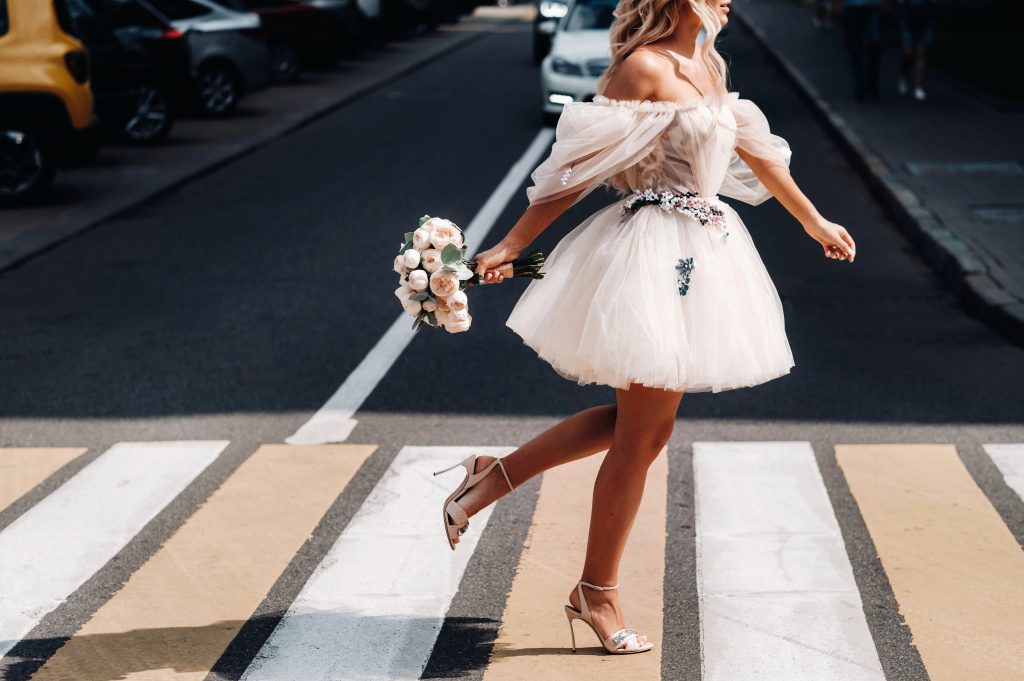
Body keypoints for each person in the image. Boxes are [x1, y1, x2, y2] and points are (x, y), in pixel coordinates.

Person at [433, 0, 856, 656]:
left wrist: (813, 221)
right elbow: (580, 166)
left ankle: (494, 477)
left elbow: (756, 151)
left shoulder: (707, 68)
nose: (727, 1)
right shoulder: (644, 68)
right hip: (656, 254)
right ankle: (594, 588)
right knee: (640, 433)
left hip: (705, 252)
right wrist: (513, 244)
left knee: (644, 429)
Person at [836, 0, 884, 100]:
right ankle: (861, 84)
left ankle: (870, 82)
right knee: (856, 47)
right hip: (853, 7)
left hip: (872, 6)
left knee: (874, 46)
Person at [896, 0, 935, 100]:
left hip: (924, 16)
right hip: (907, 16)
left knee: (921, 52)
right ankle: (904, 76)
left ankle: (918, 86)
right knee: (907, 52)